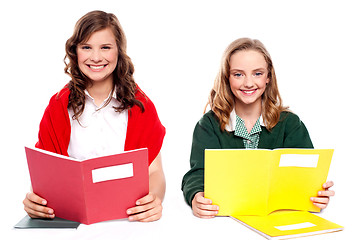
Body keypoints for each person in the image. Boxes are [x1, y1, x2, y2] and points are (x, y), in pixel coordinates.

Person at [23, 10, 166, 222]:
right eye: (86, 47)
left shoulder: (140, 106)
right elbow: (45, 177)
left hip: (126, 222)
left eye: (105, 47)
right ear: (75, 52)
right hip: (72, 221)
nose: (96, 57)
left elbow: (154, 172)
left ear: (119, 51)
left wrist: (154, 199)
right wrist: (36, 202)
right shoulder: (58, 106)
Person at [181, 38, 334, 219]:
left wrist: (318, 192)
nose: (248, 83)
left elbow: (306, 173)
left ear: (268, 77)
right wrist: (196, 196)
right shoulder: (209, 125)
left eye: (257, 73)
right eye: (238, 74)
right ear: (227, 78)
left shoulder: (290, 124)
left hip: (278, 217)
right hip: (225, 220)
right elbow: (197, 174)